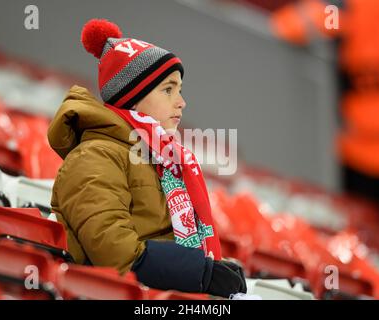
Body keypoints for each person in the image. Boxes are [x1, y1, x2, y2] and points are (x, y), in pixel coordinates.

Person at [47, 19, 247, 298]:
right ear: (133, 97)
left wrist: (211, 272)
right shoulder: (93, 157)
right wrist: (201, 273)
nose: (181, 102)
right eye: (168, 89)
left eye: (180, 90)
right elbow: (117, 254)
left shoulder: (158, 162)